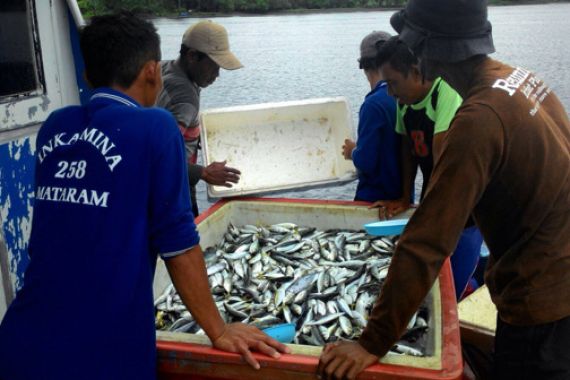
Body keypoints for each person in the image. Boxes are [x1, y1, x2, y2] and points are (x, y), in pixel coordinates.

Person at [0, 13, 287, 380]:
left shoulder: (55, 127)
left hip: (20, 339)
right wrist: (220, 330)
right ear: (152, 71)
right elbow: (178, 245)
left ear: (87, 76)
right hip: (101, 355)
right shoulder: (156, 127)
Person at [318, 0, 570, 379]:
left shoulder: (477, 120)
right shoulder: (520, 78)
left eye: (413, 44)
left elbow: (426, 242)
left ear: (430, 49)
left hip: (541, 303)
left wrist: (372, 341)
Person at [372, 36, 483, 300]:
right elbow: (407, 150)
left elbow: (442, 161)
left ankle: (468, 289)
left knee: (449, 290)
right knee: (431, 283)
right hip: (433, 201)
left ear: (415, 71)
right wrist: (404, 197)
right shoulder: (404, 102)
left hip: (463, 211)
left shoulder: (445, 93)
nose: (390, 92)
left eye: (393, 83)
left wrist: (430, 221)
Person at [156, 20, 242, 217]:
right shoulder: (185, 96)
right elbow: (158, 158)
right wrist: (202, 173)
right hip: (173, 192)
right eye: (214, 66)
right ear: (193, 56)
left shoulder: (163, 69)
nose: (217, 75)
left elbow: (165, 130)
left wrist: (194, 138)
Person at [341, 31, 402, 203]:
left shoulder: (372, 105)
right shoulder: (404, 96)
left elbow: (366, 161)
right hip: (401, 198)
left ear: (364, 68)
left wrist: (352, 151)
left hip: (373, 200)